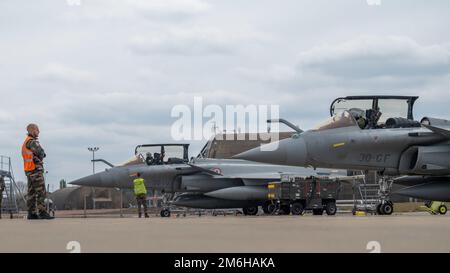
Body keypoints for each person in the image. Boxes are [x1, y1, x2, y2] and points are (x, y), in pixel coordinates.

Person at [21, 124, 54, 220]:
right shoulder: (32, 142)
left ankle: (31, 213)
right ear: (32, 130)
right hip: (35, 170)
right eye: (37, 130)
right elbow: (41, 153)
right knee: (41, 191)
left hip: (29, 170)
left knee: (31, 193)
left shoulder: (26, 142)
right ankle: (42, 212)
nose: (39, 131)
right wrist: (42, 153)